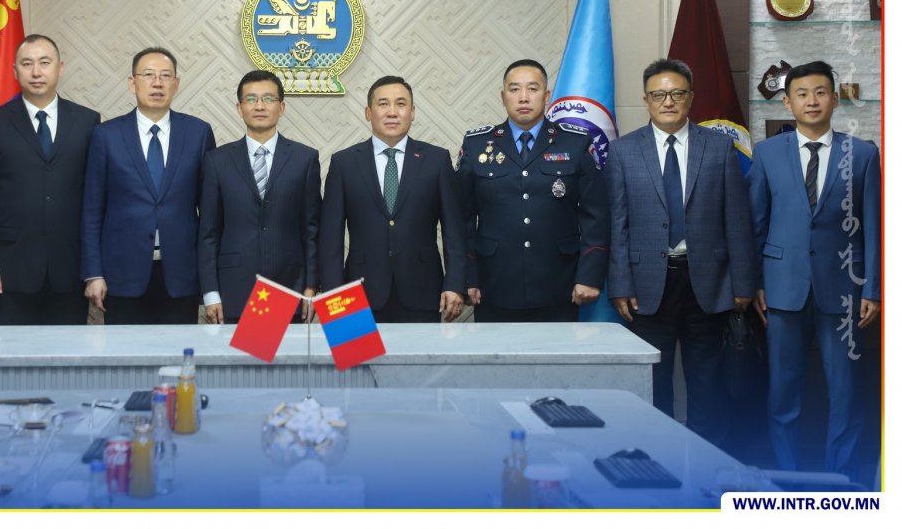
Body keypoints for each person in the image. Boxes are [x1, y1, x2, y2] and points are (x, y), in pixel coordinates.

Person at [605, 58, 755, 443]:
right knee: (653, 382)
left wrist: (743, 283)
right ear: (646, 100)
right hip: (645, 286)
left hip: (708, 282)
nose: (668, 102)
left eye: (676, 93)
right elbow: (617, 224)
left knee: (707, 382)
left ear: (690, 97)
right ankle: (661, 457)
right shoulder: (622, 152)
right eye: (658, 95)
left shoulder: (719, 148)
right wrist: (620, 284)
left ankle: (705, 461)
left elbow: (737, 220)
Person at [747, 60, 880, 481]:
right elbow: (755, 224)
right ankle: (787, 479)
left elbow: (875, 228)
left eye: (821, 92)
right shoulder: (767, 153)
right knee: (783, 392)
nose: (812, 101)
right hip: (782, 289)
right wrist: (755, 283)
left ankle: (842, 479)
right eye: (802, 94)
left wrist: (872, 290)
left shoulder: (862, 154)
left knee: (845, 392)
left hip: (844, 291)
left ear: (835, 100)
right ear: (787, 103)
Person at [457, 59, 609, 322]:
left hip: (560, 284)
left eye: (533, 89)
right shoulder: (477, 144)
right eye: (515, 89)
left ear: (547, 96)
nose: (524, 97)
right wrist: (467, 277)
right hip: (494, 285)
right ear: (503, 97)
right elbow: (462, 219)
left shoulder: (575, 142)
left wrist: (589, 276)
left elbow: (596, 215)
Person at [0, 34, 100, 325]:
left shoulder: (87, 121)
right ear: (15, 71)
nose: (36, 72)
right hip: (9, 270)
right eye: (27, 64)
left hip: (70, 268)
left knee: (67, 352)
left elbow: (94, 199)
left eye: (44, 62)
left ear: (60, 67)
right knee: (13, 352)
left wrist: (95, 269)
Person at [81, 47, 216, 324]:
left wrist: (209, 280)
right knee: (125, 351)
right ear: (132, 83)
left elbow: (210, 213)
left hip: (181, 275)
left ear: (176, 84)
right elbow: (92, 210)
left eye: (165, 76)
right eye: (149, 75)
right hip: (122, 274)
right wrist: (93, 273)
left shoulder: (198, 133)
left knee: (180, 351)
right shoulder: (106, 135)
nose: (157, 83)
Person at [320, 75, 466, 323]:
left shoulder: (436, 160)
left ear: (412, 112)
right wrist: (332, 292)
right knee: (356, 350)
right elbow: (330, 236)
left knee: (420, 350)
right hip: (357, 292)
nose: (392, 112)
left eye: (400, 104)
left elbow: (454, 229)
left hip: (423, 289)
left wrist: (455, 283)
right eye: (383, 104)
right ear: (368, 112)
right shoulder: (344, 162)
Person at [197, 70, 321, 323]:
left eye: (268, 99)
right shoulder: (217, 161)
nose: (260, 106)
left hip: (290, 286)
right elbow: (208, 232)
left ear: (281, 107)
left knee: (288, 351)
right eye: (251, 99)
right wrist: (210, 293)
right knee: (236, 352)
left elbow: (311, 229)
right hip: (233, 290)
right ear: (240, 108)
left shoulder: (305, 159)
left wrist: (311, 285)